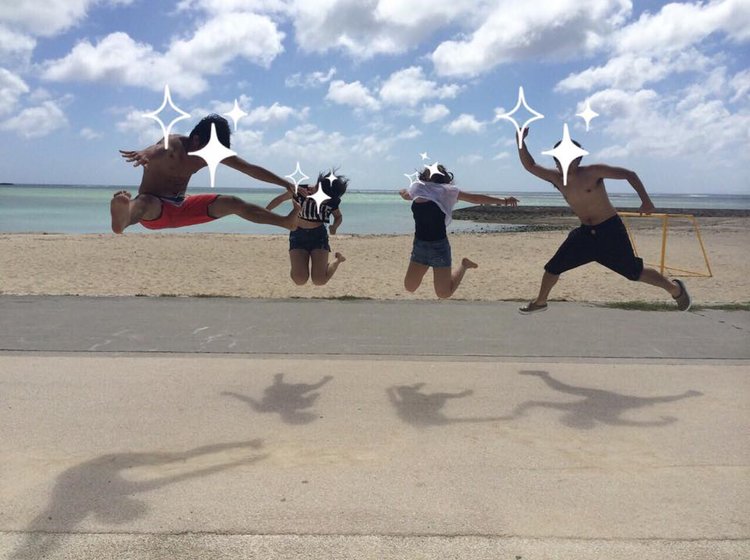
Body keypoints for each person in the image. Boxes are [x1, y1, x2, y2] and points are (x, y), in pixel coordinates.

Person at [516, 127, 690, 313]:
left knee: (634, 272)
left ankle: (675, 289)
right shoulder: (556, 178)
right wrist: (520, 141)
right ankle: (540, 302)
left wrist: (646, 201)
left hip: (610, 231)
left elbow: (628, 174)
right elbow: (530, 166)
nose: (564, 162)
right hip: (585, 233)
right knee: (553, 267)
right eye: (559, 158)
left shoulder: (593, 172)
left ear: (578, 158)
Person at [110, 114, 299, 234]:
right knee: (144, 202)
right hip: (155, 211)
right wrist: (145, 153)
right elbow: (157, 148)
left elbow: (250, 168)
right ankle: (124, 217)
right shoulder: (173, 145)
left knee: (233, 202)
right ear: (196, 140)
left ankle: (285, 222)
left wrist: (284, 183)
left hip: (182, 206)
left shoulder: (213, 152)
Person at [399, 164, 519, 299]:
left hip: (439, 247)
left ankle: (464, 265)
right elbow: (407, 195)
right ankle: (427, 264)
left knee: (443, 293)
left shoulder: (447, 191)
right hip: (420, 246)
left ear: (441, 176)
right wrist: (402, 191)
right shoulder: (418, 187)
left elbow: (475, 198)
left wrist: (504, 201)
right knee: (409, 286)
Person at [266, 170, 348, 286]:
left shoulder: (331, 201)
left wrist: (334, 226)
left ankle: (338, 260)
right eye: (317, 188)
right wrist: (266, 212)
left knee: (319, 280)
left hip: (319, 236)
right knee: (299, 279)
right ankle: (298, 267)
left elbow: (338, 216)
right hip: (298, 234)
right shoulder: (300, 190)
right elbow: (279, 199)